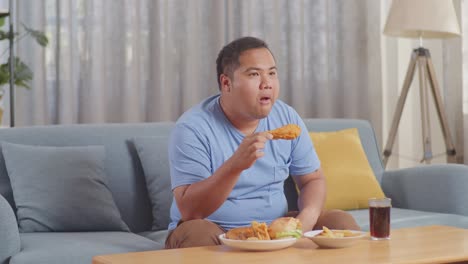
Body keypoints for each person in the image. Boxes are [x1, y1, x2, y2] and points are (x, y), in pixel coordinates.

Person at [165, 36, 359, 249]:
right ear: (226, 83)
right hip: (214, 228)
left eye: (272, 73)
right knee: (197, 233)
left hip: (273, 229)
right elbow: (191, 212)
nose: (267, 83)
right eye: (254, 74)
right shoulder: (193, 128)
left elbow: (313, 179)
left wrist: (304, 222)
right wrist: (235, 166)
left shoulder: (287, 117)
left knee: (340, 223)